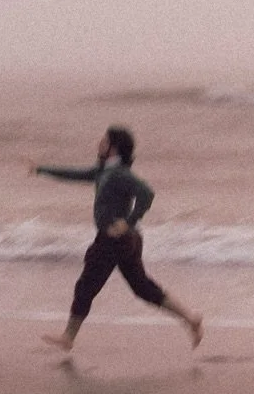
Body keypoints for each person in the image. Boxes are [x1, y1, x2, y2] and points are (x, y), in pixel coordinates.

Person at [30, 125, 202, 352]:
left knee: (86, 286)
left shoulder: (120, 174)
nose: (99, 143)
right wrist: (41, 169)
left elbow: (147, 193)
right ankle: (190, 318)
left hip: (114, 240)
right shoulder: (104, 171)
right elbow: (75, 174)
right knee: (141, 287)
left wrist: (128, 221)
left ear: (114, 148)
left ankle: (68, 337)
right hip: (127, 241)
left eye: (103, 141)